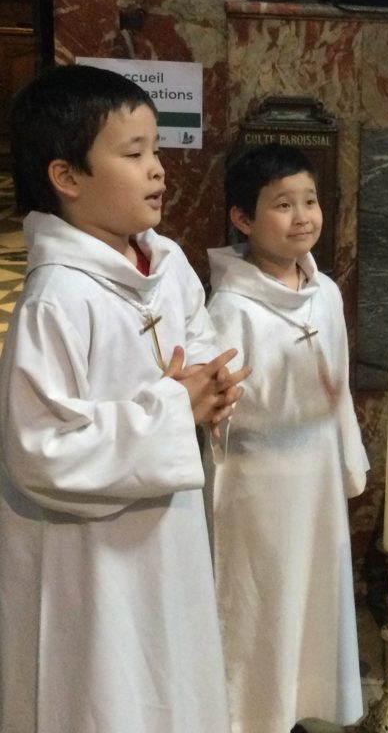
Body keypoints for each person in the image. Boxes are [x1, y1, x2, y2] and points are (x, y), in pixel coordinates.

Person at [0, 64, 250, 732]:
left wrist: (214, 387)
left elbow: (201, 346)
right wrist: (177, 409)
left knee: (171, 678)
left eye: (157, 151)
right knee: (107, 694)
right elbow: (40, 451)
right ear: (67, 177)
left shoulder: (164, 263)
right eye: (134, 154)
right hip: (92, 557)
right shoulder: (56, 302)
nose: (158, 170)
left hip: (166, 533)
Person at [207, 142, 369, 733]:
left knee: (312, 600)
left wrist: (346, 458)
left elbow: (340, 385)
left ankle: (300, 708)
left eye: (310, 200)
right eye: (282, 204)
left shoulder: (323, 291)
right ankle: (252, 716)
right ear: (243, 219)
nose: (303, 216)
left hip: (315, 477)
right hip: (258, 487)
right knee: (262, 606)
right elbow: (220, 409)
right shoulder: (232, 308)